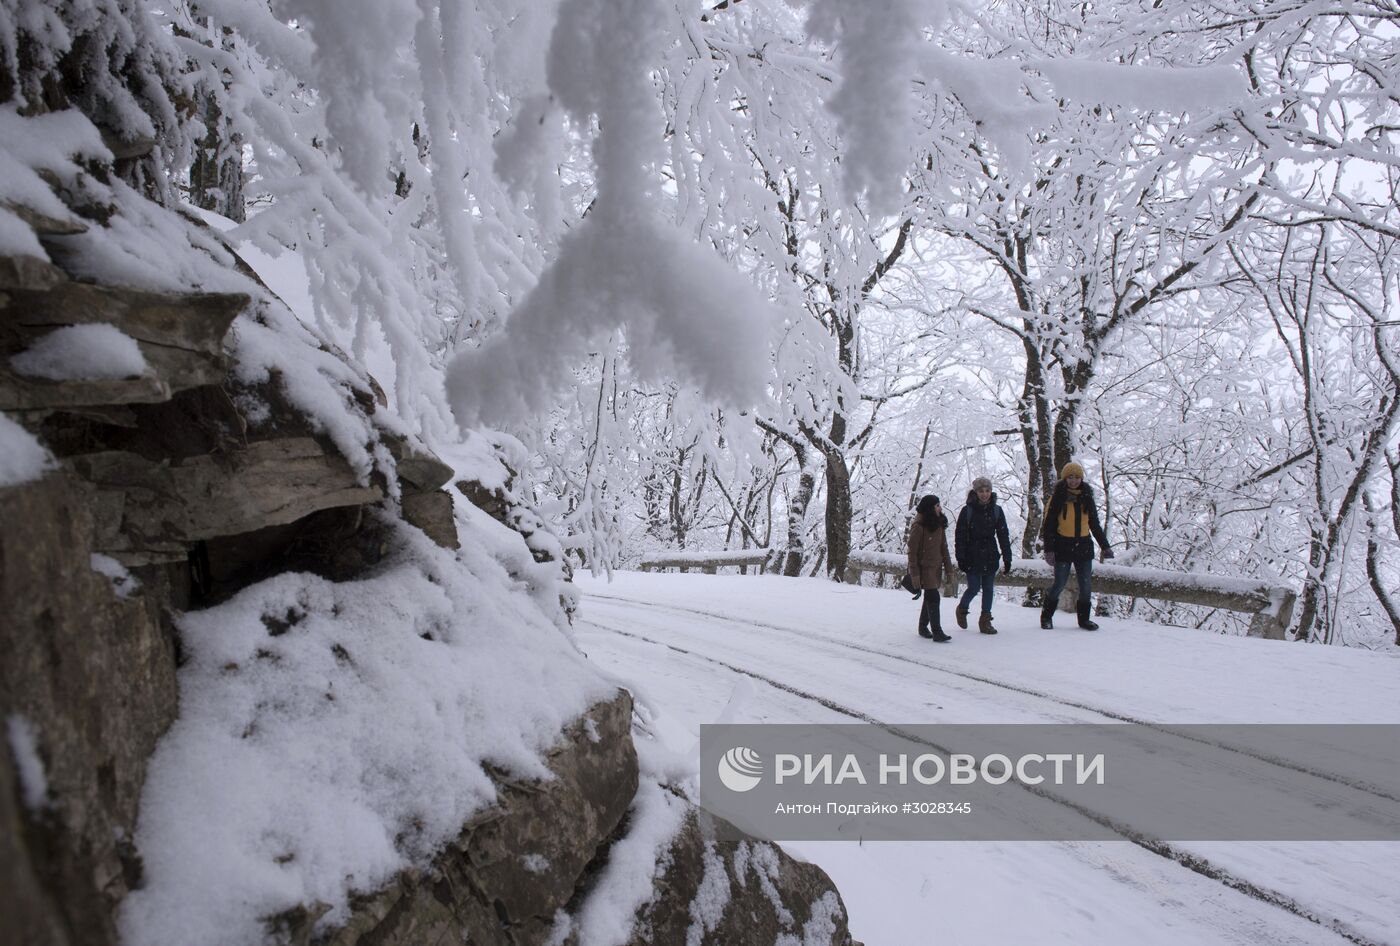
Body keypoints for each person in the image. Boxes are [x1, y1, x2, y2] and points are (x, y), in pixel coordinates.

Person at [1039, 462, 1114, 630]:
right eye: (1070, 477)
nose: (1073, 481)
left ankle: (1084, 620)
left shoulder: (1087, 497)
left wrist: (1105, 546)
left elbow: (1094, 524)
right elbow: (1049, 526)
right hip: (1062, 546)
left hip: (1083, 546)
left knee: (1086, 585)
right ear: (1065, 479)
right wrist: (1049, 550)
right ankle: (1046, 617)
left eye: (1077, 477)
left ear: (1081, 478)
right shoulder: (1057, 497)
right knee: (1059, 583)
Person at [955, 476, 1013, 634]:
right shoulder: (968, 511)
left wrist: (1007, 557)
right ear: (975, 492)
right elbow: (960, 536)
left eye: (987, 490)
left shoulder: (996, 510)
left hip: (990, 554)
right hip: (972, 555)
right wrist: (961, 557)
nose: (985, 494)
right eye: (981, 491)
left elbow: (1003, 535)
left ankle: (985, 621)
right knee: (973, 587)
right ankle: (962, 609)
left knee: (988, 588)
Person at [907, 494, 953, 642]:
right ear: (930, 508)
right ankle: (937, 631)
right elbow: (912, 551)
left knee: (929, 597)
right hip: (924, 568)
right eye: (937, 505)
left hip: (936, 567)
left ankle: (922, 627)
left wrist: (949, 569)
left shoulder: (939, 524)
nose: (940, 508)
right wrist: (914, 574)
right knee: (933, 597)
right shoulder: (918, 526)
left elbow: (943, 548)